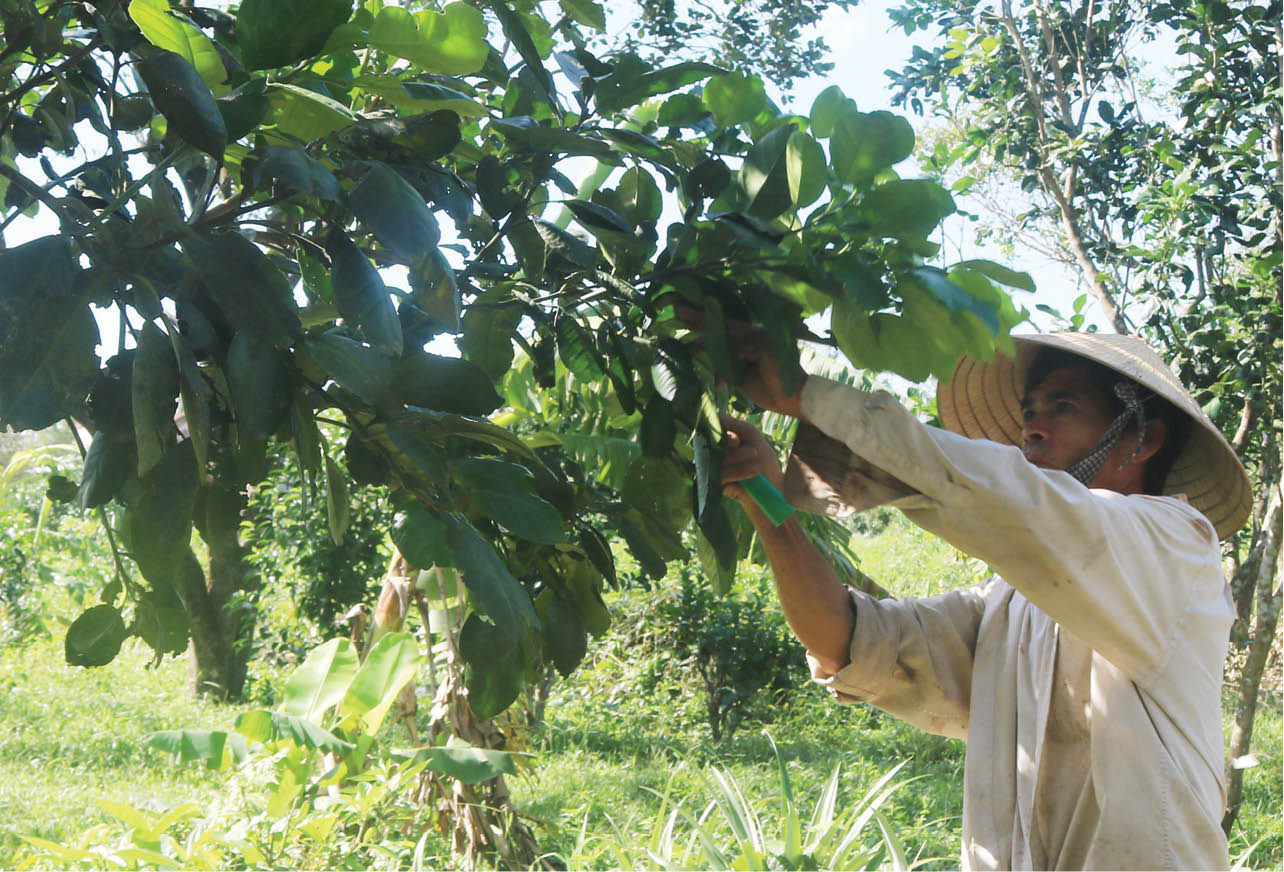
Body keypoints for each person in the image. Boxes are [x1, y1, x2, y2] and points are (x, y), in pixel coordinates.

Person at [715, 329, 1251, 870]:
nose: (1032, 428)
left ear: (1143, 439)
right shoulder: (1011, 603)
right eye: (1030, 411)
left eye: (1063, 407)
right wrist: (768, 506)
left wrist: (806, 396)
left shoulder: (1175, 545)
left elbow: (1023, 501)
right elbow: (854, 640)